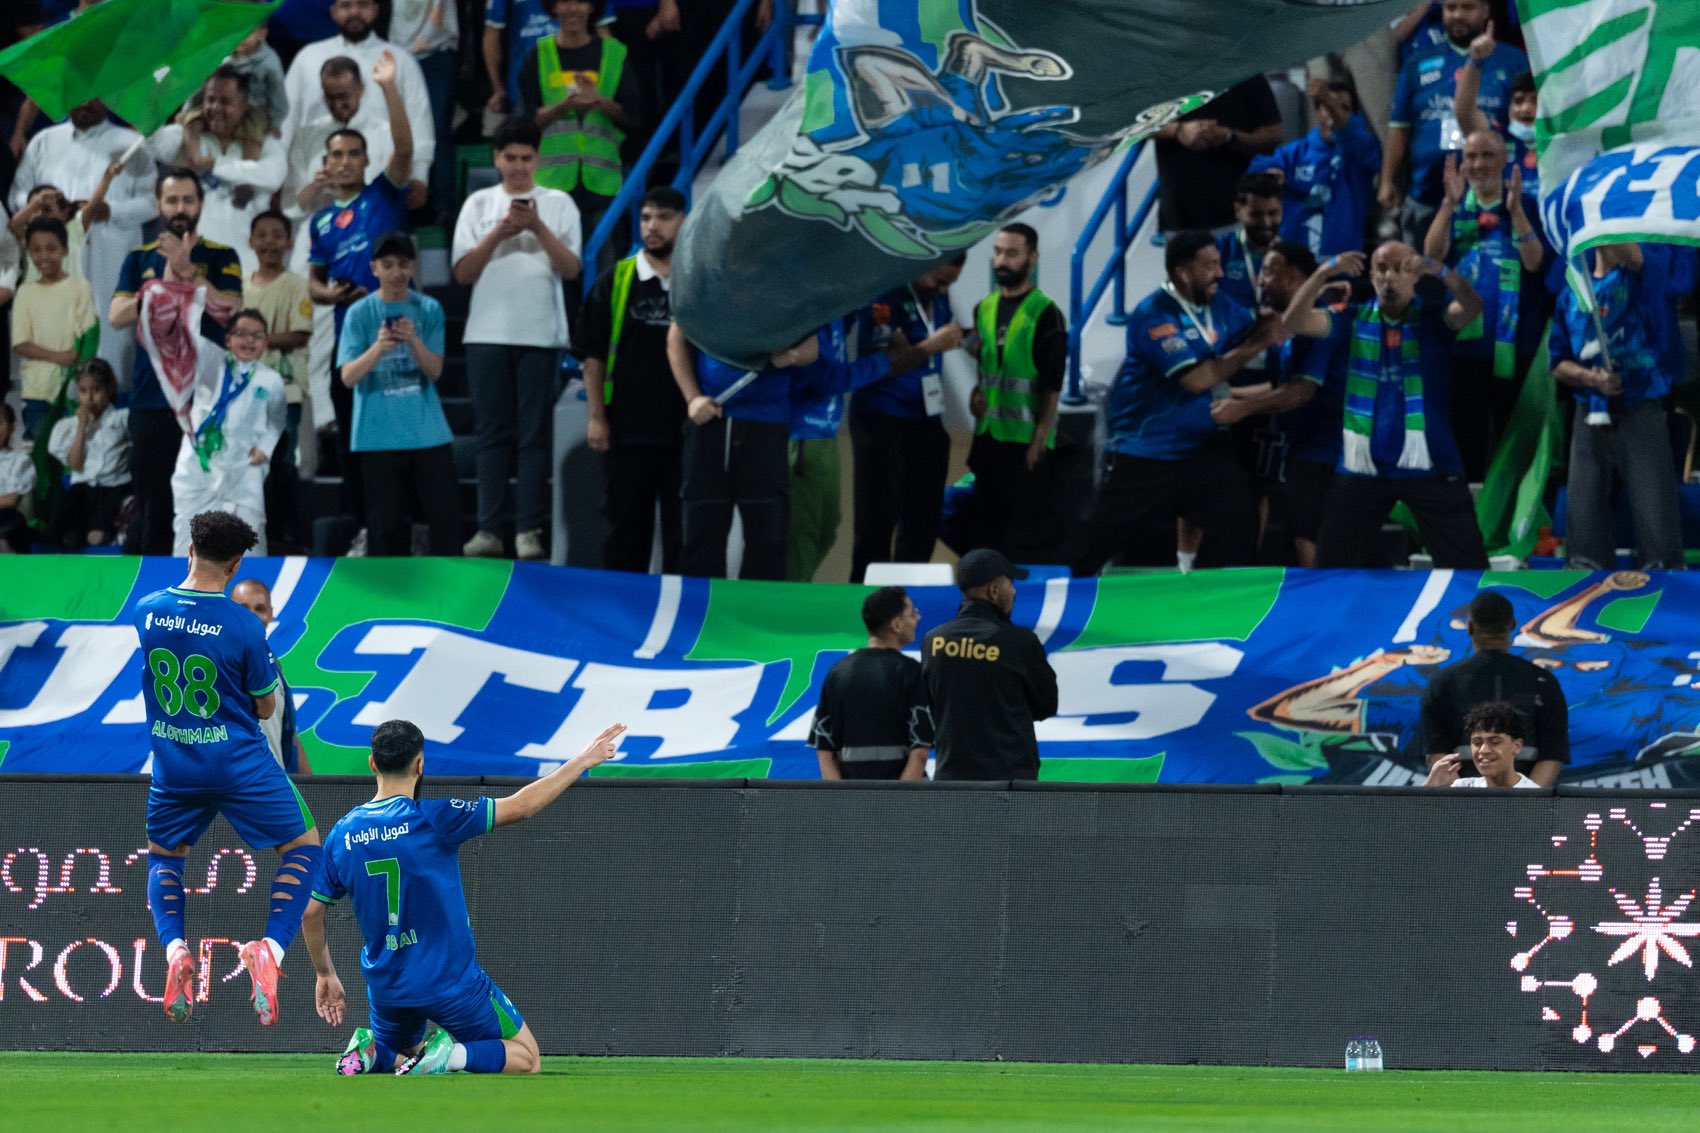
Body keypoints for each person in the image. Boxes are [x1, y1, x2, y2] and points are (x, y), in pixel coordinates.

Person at [301, 718, 627, 1075]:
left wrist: (325, 974)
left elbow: (310, 912)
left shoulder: (342, 834)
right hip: (451, 983)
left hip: (388, 988)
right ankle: (450, 1057)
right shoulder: (434, 818)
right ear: (420, 765)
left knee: (408, 1053)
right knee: (527, 1057)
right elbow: (522, 806)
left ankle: (374, 1053)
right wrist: (582, 761)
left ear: (372, 763)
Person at [134, 509, 323, 1026]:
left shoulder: (148, 612)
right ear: (236, 564)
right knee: (304, 847)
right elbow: (265, 705)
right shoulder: (244, 626)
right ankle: (270, 950)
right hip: (238, 763)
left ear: (190, 550)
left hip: (175, 764)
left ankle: (175, 951)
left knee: (164, 858)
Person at [1067, 230, 1282, 576]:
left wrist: (1310, 297)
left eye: (1219, 263)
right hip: (1146, 453)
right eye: (1209, 266)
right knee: (1087, 551)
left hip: (1201, 451)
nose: (1219, 273)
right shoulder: (1153, 315)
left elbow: (1265, 324)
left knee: (1241, 528)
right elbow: (1197, 380)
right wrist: (1255, 346)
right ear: (1182, 271)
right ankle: (1055, 597)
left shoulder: (1220, 305)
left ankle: (1231, 600)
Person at [1281, 243, 1488, 568]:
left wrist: (1442, 271)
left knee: (1468, 570)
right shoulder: (1350, 319)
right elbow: (1293, 321)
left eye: (1401, 268)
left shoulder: (1434, 319)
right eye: (1381, 268)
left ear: (1416, 276)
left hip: (1430, 465)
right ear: (1371, 275)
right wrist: (1324, 272)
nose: (1390, 277)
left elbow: (1473, 306)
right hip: (1363, 467)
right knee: (1332, 570)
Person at [451, 114, 582, 561]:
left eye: (526, 158)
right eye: (510, 158)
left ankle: (528, 530)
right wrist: (499, 232)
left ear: (538, 159)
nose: (519, 166)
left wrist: (538, 228)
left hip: (541, 334)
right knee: (491, 435)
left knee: (532, 437)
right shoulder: (478, 204)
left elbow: (572, 269)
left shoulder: (559, 203)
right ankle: (488, 529)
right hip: (485, 334)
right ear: (496, 159)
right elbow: (463, 273)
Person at [304, 50, 414, 548]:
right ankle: (363, 528)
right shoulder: (322, 221)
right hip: (349, 339)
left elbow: (405, 149)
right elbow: (313, 282)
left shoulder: (382, 196)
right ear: (326, 165)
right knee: (351, 440)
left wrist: (388, 87)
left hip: (395, 333)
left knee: (396, 440)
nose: (345, 161)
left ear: (366, 161)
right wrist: (328, 293)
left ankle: (400, 531)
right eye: (337, 155)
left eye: (353, 154)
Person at [110, 167, 246, 555]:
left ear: (200, 204)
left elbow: (234, 309)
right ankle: (153, 582)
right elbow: (116, 315)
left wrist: (190, 276)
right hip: (150, 398)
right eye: (172, 200)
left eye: (188, 199)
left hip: (205, 401)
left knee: (209, 500)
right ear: (158, 205)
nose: (180, 208)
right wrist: (158, 290)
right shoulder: (138, 258)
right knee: (152, 502)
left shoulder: (221, 255)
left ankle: (207, 580)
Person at [1209, 241, 1348, 567]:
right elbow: (1280, 385)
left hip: (1325, 449)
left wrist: (1242, 409)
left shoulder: (1320, 324)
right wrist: (1231, 396)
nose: (1261, 280)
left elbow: (1300, 392)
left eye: (1269, 272)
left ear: (1294, 277)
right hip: (1302, 446)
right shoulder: (1288, 326)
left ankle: (1326, 600)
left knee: (1307, 535)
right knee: (1299, 533)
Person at [1422, 131, 1549, 480]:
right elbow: (1431, 257)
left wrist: (1516, 212)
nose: (1478, 164)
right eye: (1471, 156)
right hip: (1464, 349)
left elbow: (1534, 263)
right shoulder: (1453, 206)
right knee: (1466, 444)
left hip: (1516, 345)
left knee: (1517, 446)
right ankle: (1469, 510)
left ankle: (1515, 513)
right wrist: (1447, 204)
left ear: (1504, 160)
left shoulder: (1526, 205)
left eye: (1488, 156)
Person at [1550, 242, 1683, 572]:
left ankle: (1664, 585)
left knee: (1656, 521)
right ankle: (1586, 587)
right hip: (1588, 412)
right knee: (1584, 524)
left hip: (1641, 406)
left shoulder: (1640, 276)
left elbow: (1637, 258)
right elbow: (1557, 363)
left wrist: (1606, 223)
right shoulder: (1573, 289)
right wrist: (1590, 378)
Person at [8, 96, 156, 378]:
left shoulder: (131, 144)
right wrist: (38, 204)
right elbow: (17, 193)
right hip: (54, 260)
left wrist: (110, 211)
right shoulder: (44, 141)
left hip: (110, 255)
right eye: (78, 96)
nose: (84, 103)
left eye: (92, 97)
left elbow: (151, 203)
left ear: (107, 98)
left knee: (110, 338)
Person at [578, 186, 686, 573]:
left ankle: (681, 609)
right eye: (645, 218)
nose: (652, 226)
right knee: (624, 533)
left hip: (686, 430)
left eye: (664, 217)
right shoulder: (616, 280)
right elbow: (592, 355)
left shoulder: (698, 281)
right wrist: (596, 417)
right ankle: (622, 610)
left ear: (684, 222)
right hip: (626, 430)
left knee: (685, 537)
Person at [335, 232, 460, 557]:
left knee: (446, 520)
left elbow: (435, 370)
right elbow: (348, 376)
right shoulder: (359, 313)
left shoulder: (429, 309)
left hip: (427, 433)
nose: (396, 272)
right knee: (384, 528)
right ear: (374, 268)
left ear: (413, 267)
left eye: (403, 264)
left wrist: (413, 340)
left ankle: (451, 581)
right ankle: (389, 585)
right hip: (377, 435)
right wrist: (379, 347)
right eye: (387, 265)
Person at [850, 255, 967, 581]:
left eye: (949, 284)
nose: (941, 289)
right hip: (881, 417)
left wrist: (967, 340)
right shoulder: (885, 293)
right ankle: (866, 600)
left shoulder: (939, 297)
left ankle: (910, 595)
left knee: (923, 520)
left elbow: (931, 343)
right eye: (938, 281)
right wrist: (930, 347)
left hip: (926, 419)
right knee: (876, 522)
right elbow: (883, 366)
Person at [1381, 0, 1528, 244]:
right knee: (1421, 265)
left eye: (1467, 7)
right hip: (1427, 194)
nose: (1457, 15)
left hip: (1493, 196)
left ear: (1485, 11)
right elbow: (1399, 127)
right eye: (1451, 8)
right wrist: (1387, 180)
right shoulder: (1417, 62)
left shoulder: (1514, 61)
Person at [965, 223, 1065, 558]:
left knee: (1024, 542)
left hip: (1024, 445)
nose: (1001, 261)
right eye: (997, 252)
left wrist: (1040, 439)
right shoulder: (984, 307)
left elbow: (1052, 384)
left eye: (1012, 254)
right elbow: (988, 366)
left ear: (1032, 258)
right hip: (988, 439)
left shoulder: (1045, 312)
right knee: (985, 537)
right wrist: (977, 392)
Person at [667, 325, 793, 580]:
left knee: (767, 537)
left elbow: (811, 348)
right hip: (710, 420)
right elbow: (676, 336)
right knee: (702, 534)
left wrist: (793, 355)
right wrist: (692, 397)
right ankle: (701, 606)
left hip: (766, 422)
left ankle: (756, 607)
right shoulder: (703, 295)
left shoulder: (785, 297)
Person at [281, 0, 434, 210]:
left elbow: (419, 118)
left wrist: (420, 175)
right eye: (346, 6)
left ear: (375, 10)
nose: (354, 12)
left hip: (378, 176)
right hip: (316, 183)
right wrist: (279, 176)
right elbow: (286, 120)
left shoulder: (400, 60)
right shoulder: (307, 58)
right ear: (333, 12)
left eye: (362, 5)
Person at [921, 549, 1057, 782]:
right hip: (1010, 782)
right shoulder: (1020, 642)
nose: (1014, 591)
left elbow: (930, 703)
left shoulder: (933, 641)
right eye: (1010, 583)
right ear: (994, 590)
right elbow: (1046, 706)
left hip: (951, 779)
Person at [518, 0, 639, 255]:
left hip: (602, 185)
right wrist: (564, 106)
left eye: (580, 1)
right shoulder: (537, 55)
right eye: (564, 2)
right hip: (553, 186)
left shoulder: (614, 53)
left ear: (592, 7)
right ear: (553, 8)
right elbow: (528, 120)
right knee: (555, 266)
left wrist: (599, 101)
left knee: (604, 264)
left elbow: (632, 116)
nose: (572, 9)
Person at [1418, 592, 1567, 786]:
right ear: (1513, 624)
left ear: (1470, 627)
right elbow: (1553, 755)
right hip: (1525, 801)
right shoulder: (1543, 681)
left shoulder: (1442, 682)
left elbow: (1437, 755)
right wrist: (1527, 798)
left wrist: (1465, 797)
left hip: (1464, 801)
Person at [170, 308, 287, 556]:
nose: (249, 341)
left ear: (266, 342)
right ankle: (185, 582)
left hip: (243, 470)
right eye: (241, 334)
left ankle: (250, 584)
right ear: (228, 339)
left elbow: (277, 420)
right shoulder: (210, 364)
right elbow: (187, 338)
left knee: (250, 546)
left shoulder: (271, 380)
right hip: (198, 467)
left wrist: (265, 448)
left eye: (257, 336)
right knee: (187, 545)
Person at [151, 67, 288, 274]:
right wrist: (155, 101)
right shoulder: (187, 139)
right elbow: (153, 144)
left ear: (244, 104)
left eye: (225, 101)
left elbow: (273, 176)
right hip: (191, 262)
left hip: (245, 264)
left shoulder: (264, 143)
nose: (215, 107)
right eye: (210, 100)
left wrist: (216, 165)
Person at [809, 586, 932, 781]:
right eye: (912, 613)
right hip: (903, 797)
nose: (917, 618)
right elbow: (920, 751)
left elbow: (824, 751)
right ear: (896, 625)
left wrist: (839, 795)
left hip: (851, 797)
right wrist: (901, 796)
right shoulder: (912, 672)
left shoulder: (838, 673)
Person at [245, 211, 314, 548]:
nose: (268, 242)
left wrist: (256, 340)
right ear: (250, 242)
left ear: (289, 242)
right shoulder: (241, 287)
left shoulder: (296, 285)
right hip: (248, 394)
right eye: (261, 235)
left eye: (276, 235)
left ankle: (289, 538)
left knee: (282, 463)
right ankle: (258, 536)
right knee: (252, 465)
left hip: (286, 391)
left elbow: (300, 334)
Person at [1252, 77, 1380, 258]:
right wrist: (1266, 175)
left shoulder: (1362, 153)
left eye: (1344, 108)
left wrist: (1328, 101)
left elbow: (1354, 138)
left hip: (1342, 265)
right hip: (1293, 264)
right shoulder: (1293, 153)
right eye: (1326, 107)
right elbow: (1258, 168)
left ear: (1354, 115)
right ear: (1317, 111)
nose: (1333, 113)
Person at [1151, 76, 1283, 234]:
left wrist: (1229, 136)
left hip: (1237, 214)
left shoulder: (1246, 73)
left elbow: (1272, 136)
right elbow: (1132, 124)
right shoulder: (1162, 74)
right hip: (1180, 215)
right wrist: (1178, 130)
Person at [11, 216, 98, 438]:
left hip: (72, 388)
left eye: (51, 249)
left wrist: (79, 373)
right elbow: (20, 343)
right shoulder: (25, 293)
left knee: (72, 448)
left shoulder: (80, 287)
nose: (44, 256)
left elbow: (89, 336)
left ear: (65, 250)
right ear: (29, 253)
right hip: (37, 390)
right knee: (40, 450)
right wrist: (60, 357)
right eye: (36, 250)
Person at [231, 577, 313, 774]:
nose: (252, 616)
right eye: (243, 608)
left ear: (270, 614)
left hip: (274, 781)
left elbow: (287, 733)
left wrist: (312, 786)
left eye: (260, 609)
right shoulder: (222, 661)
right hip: (242, 781)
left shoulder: (272, 663)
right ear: (228, 611)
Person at [388, 0, 460, 219]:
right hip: (399, 54)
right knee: (400, 128)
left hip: (437, 53)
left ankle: (443, 206)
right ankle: (406, 204)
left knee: (438, 129)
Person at [46, 359, 129, 549]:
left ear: (109, 389)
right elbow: (75, 465)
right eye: (83, 391)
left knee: (102, 522)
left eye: (96, 390)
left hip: (113, 487)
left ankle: (104, 533)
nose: (89, 398)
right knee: (66, 508)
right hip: (82, 490)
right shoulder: (68, 426)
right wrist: (82, 426)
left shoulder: (122, 419)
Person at [1423, 700, 1543, 789]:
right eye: (1477, 743)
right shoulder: (1462, 789)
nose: (1484, 750)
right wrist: (1429, 788)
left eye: (1495, 742)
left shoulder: (1535, 797)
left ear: (1517, 746)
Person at [483, 0, 558, 119]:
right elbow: (492, 34)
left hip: (568, 74)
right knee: (525, 128)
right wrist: (497, 88)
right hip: (522, 82)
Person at [0, 404, 36, 553]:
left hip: (5, 518)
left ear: (11, 427)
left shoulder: (20, 461)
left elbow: (11, 500)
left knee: (11, 524)